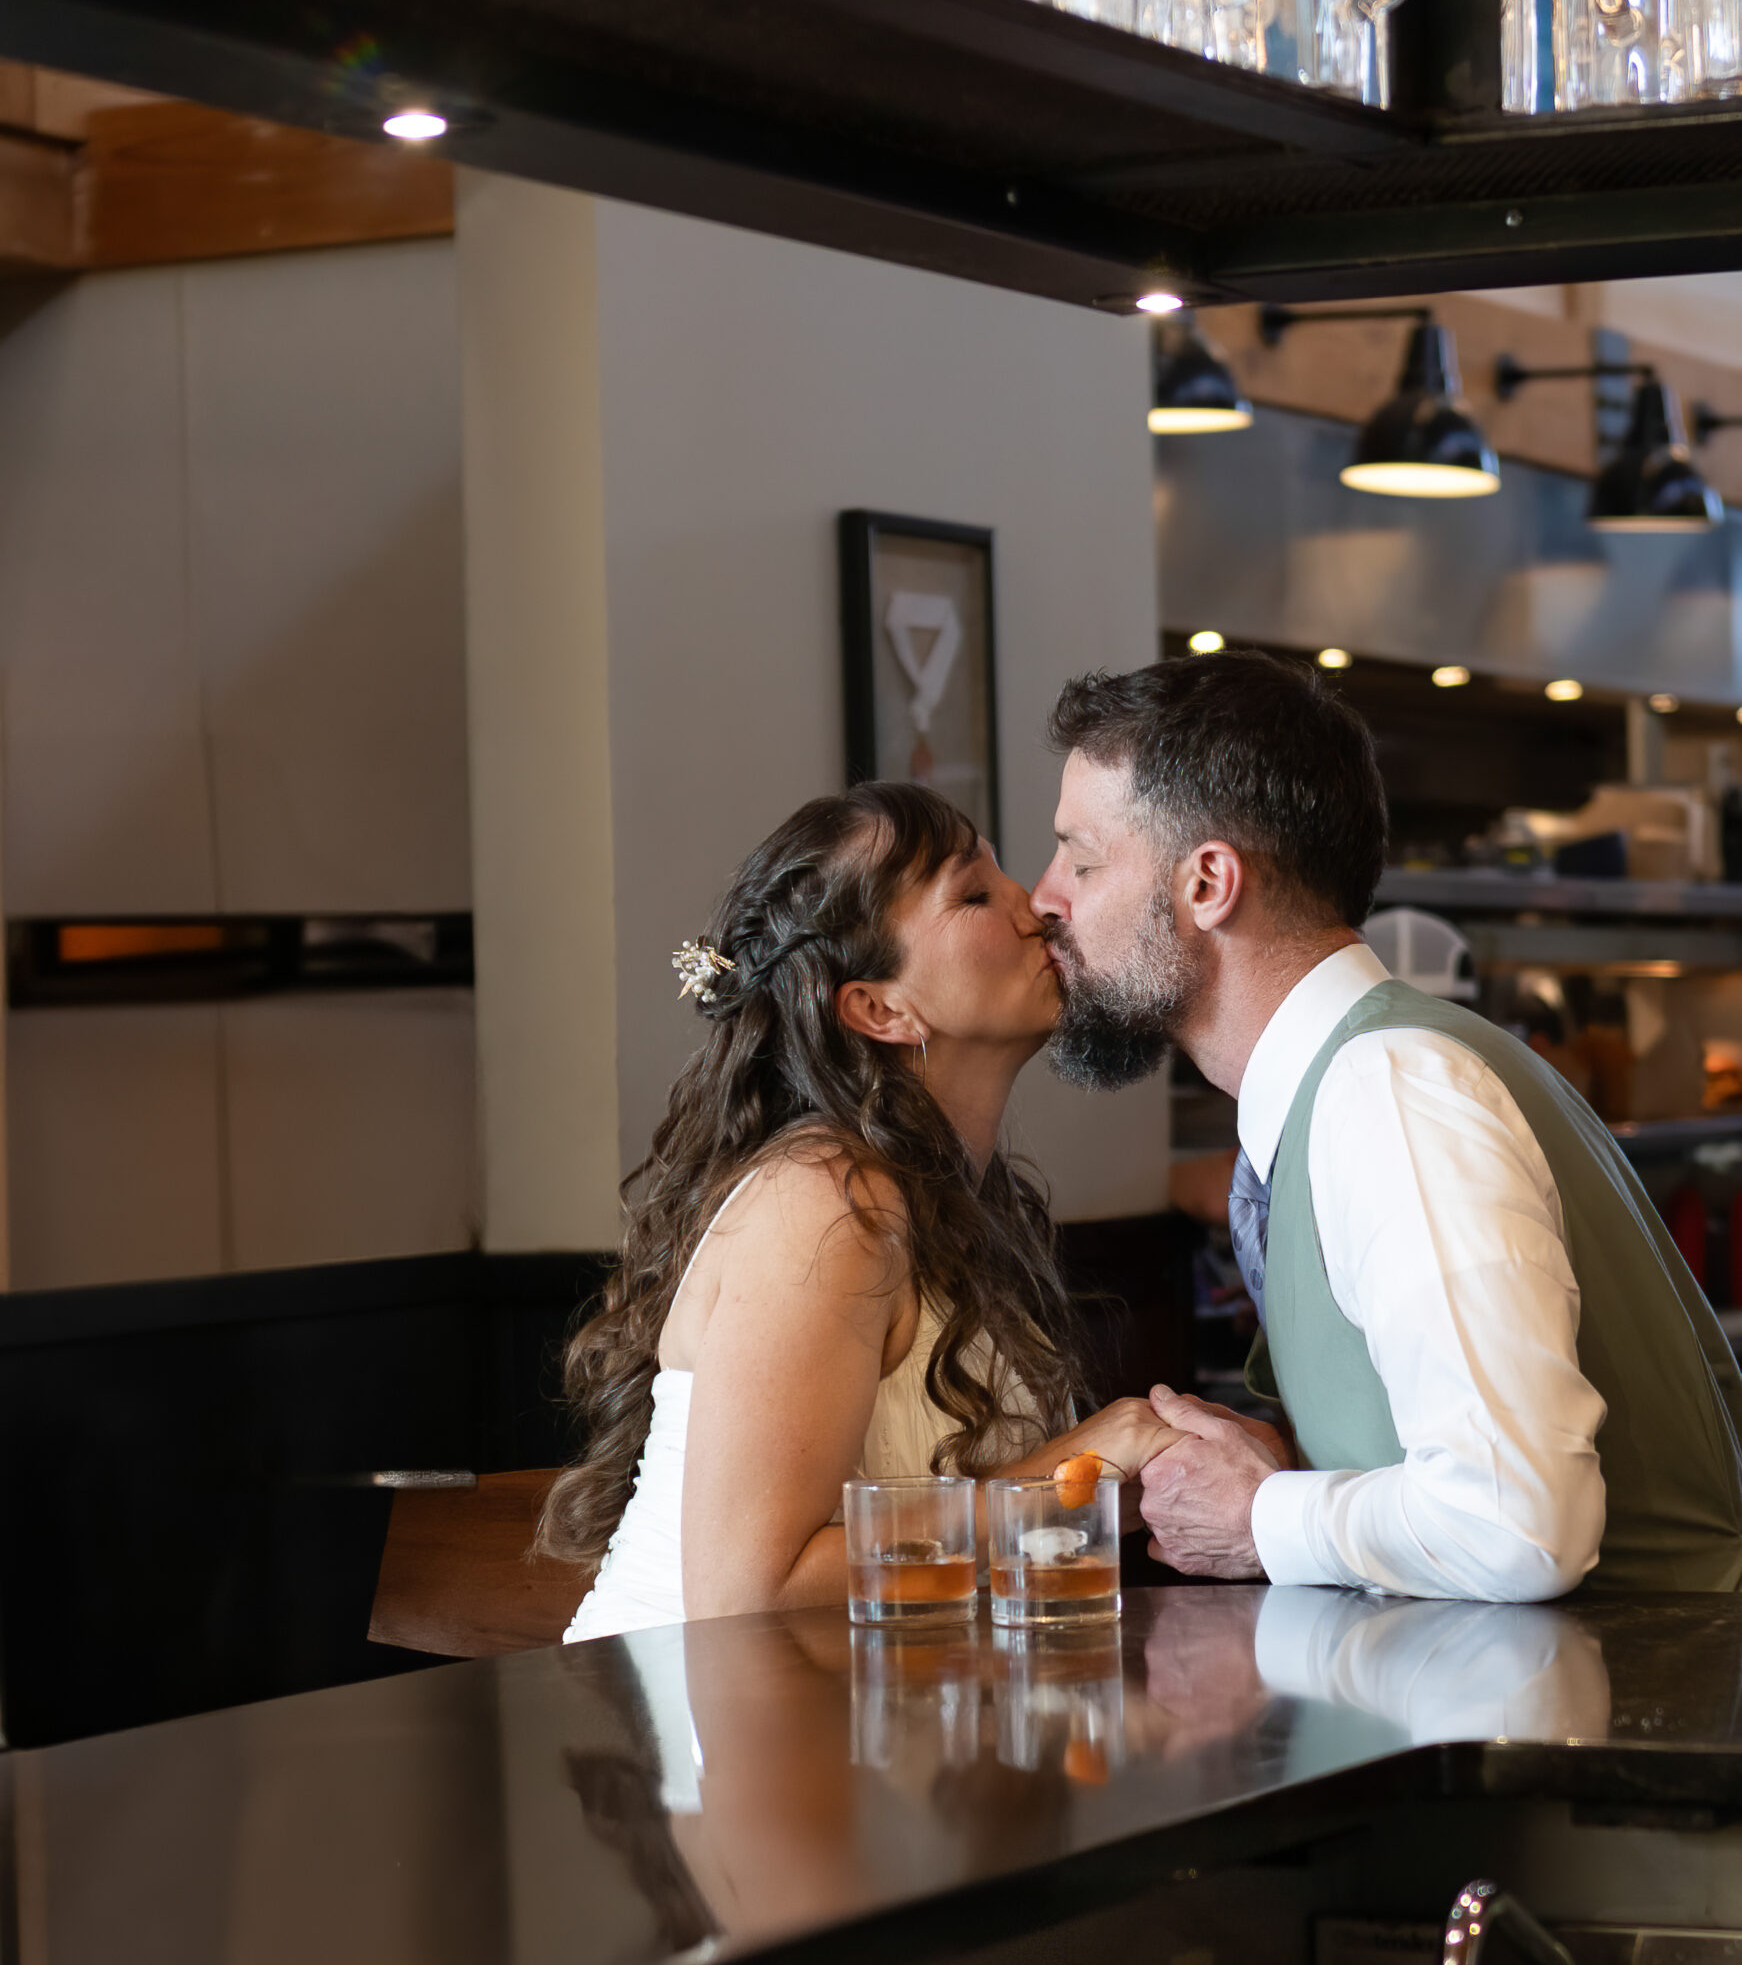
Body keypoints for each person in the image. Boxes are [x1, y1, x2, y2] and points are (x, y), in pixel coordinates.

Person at [1031, 650, 1742, 1601]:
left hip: (1647, 1693)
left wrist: (1260, 1515)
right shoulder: (1357, 1085)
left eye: (1081, 860)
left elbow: (1518, 1523)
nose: (1045, 898)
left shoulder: (1389, 1090)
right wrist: (1288, 1463)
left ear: (1208, 885)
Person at [547, 780, 1180, 1638]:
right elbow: (748, 1594)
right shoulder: (824, 1203)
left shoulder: (946, 1198)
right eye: (974, 894)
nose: (1034, 903)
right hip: (699, 1711)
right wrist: (1074, 1469)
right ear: (879, 1008)